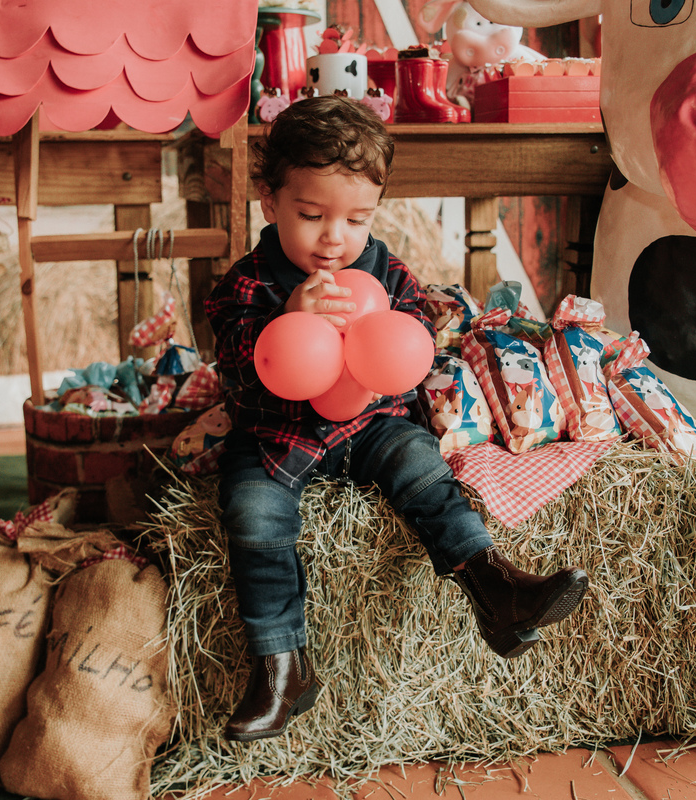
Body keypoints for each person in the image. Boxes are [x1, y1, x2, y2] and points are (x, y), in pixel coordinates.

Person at [203, 96, 588, 743]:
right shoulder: (247, 282)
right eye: (311, 215)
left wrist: (393, 333)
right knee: (252, 512)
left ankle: (494, 589)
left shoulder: (384, 267)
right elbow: (236, 364)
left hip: (370, 424)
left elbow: (413, 338)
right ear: (269, 203)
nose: (335, 237)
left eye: (356, 219)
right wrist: (288, 319)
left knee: (420, 464)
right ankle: (281, 666)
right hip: (279, 435)